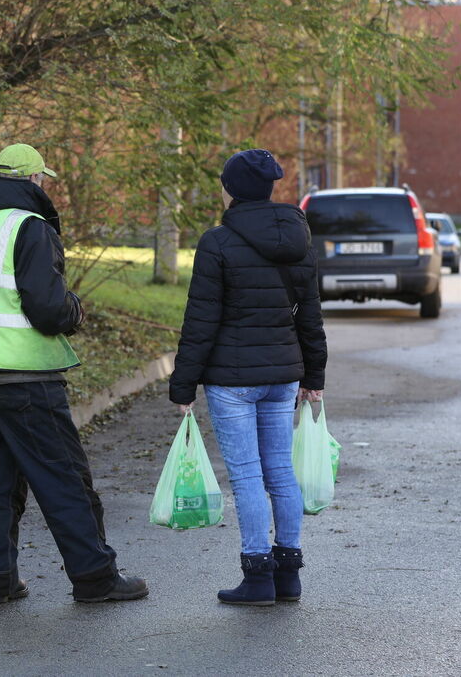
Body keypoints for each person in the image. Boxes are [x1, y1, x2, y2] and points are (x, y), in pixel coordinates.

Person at [0, 143, 148, 605]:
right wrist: (75, 311)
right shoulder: (28, 227)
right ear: (34, 181)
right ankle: (96, 578)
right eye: (42, 179)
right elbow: (48, 309)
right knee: (64, 477)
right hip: (25, 374)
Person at [168, 148, 327, 606]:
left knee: (246, 476)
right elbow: (310, 316)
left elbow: (201, 319)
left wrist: (183, 385)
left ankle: (257, 576)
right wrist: (313, 374)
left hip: (233, 381)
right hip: (283, 377)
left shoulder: (217, 242)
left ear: (232, 188)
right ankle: (288, 575)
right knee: (279, 470)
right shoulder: (298, 236)